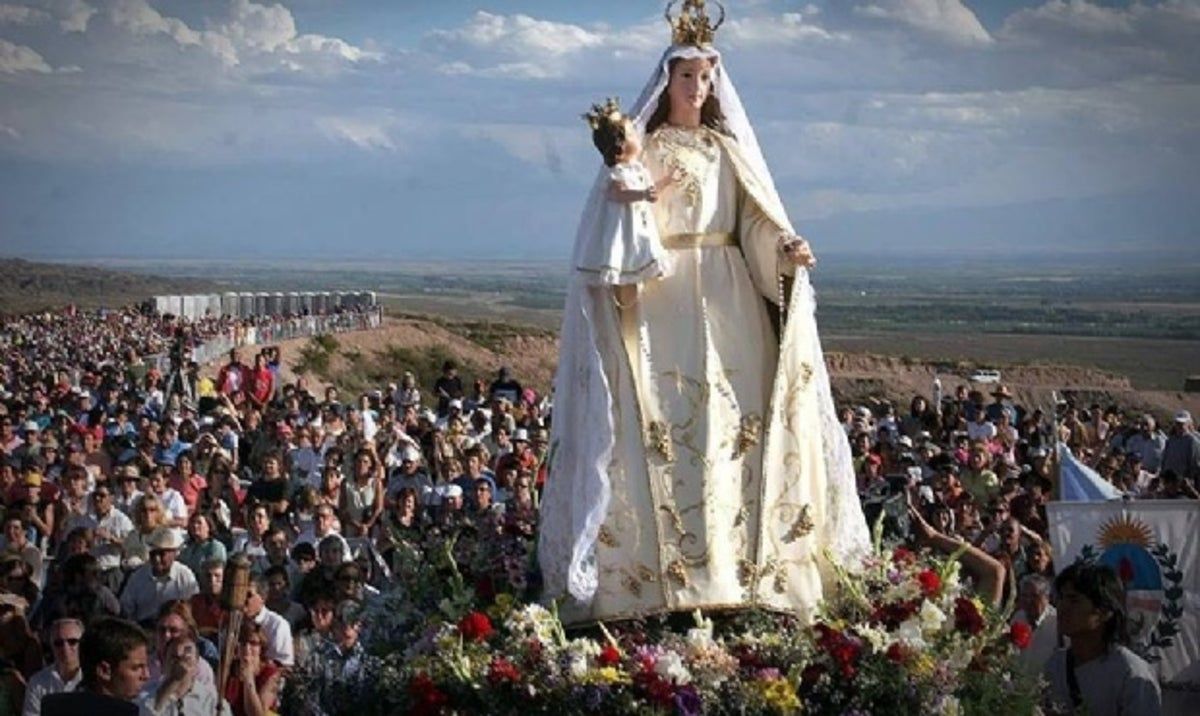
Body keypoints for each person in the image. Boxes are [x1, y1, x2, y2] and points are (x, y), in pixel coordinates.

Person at [540, 3, 869, 623]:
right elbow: (619, 220)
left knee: (730, 432)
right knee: (661, 427)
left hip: (728, 300)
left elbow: (751, 223)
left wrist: (785, 250)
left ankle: (737, 571)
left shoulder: (726, 150)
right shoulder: (648, 149)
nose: (698, 87)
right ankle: (654, 582)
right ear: (667, 82)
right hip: (660, 301)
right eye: (687, 76)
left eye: (706, 77)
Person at [1044, 562, 1161, 716]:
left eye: (1074, 600)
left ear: (1104, 612)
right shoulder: (1056, 665)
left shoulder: (1130, 674)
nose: (1062, 607)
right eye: (1061, 598)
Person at [40, 617, 150, 716]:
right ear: (104, 671)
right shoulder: (127, 712)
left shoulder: (52, 707)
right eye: (136, 668)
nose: (146, 675)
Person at [119, 527, 199, 626]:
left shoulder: (184, 576)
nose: (157, 559)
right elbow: (127, 607)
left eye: (162, 554)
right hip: (144, 627)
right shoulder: (138, 576)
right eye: (153, 554)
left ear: (173, 553)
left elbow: (192, 608)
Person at [23, 618, 83, 716]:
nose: (65, 648)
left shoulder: (94, 679)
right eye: (58, 643)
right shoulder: (38, 682)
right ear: (51, 646)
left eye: (72, 642)